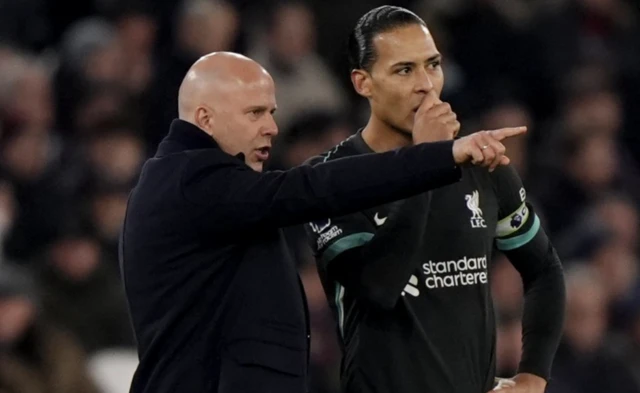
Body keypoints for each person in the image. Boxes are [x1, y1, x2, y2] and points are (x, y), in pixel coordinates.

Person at [119, 51, 525, 393]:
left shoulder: (196, 184)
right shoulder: (191, 180)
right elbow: (308, 189)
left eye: (272, 112)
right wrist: (433, 154)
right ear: (205, 119)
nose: (272, 127)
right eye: (255, 113)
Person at [303, 6, 566, 393]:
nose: (426, 84)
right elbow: (379, 288)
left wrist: (533, 377)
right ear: (363, 83)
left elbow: (544, 268)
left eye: (433, 64)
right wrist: (427, 161)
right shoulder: (331, 177)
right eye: (404, 70)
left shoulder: (481, 163)